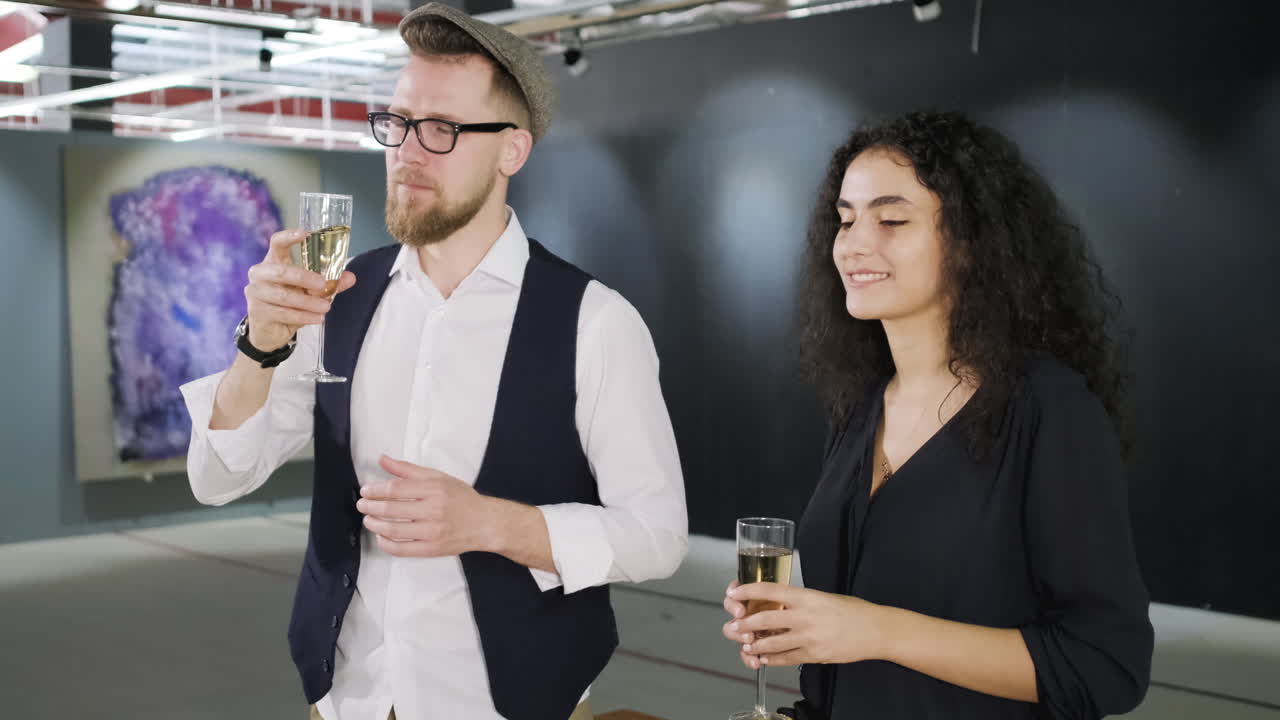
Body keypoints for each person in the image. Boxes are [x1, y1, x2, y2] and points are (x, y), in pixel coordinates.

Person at [179, 5, 687, 720]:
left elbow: (658, 535)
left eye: (442, 129)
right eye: (397, 123)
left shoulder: (596, 323)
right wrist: (260, 344)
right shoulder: (340, 297)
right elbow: (217, 478)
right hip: (349, 699)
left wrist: (490, 524)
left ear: (512, 150)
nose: (407, 152)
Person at [720, 110, 1154, 719]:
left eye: (892, 219)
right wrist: (808, 626)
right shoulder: (860, 406)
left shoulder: (1049, 409)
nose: (854, 243)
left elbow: (1106, 668)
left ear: (972, 244)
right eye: (846, 219)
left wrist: (877, 630)